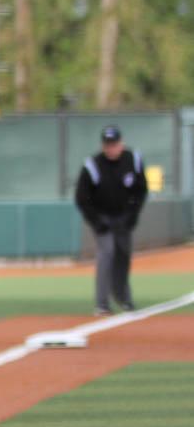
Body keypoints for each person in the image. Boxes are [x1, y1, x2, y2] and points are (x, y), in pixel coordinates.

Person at [74, 125, 147, 315]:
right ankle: (102, 303)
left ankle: (124, 298)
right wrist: (96, 222)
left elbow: (140, 191)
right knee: (106, 254)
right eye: (107, 145)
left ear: (121, 144)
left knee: (123, 255)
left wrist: (133, 215)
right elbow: (82, 198)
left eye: (114, 144)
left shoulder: (133, 160)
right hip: (102, 216)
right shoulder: (93, 165)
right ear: (102, 145)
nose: (110, 148)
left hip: (124, 215)